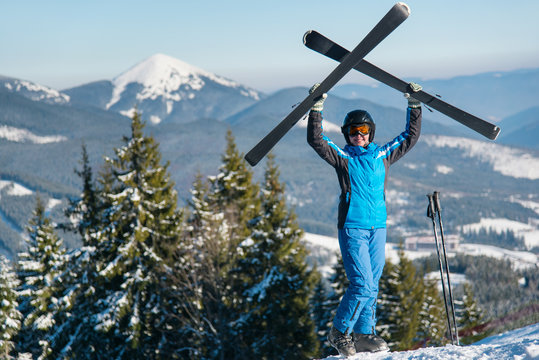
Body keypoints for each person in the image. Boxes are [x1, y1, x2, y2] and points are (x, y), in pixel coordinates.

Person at [307, 82, 422, 357]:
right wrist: (316, 108)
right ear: (347, 134)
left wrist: (414, 106)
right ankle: (339, 332)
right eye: (353, 131)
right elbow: (317, 140)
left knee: (373, 282)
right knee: (361, 283)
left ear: (371, 133)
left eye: (364, 131)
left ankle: (363, 334)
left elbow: (409, 137)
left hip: (378, 227)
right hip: (352, 227)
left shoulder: (382, 155)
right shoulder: (344, 157)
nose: (359, 135)